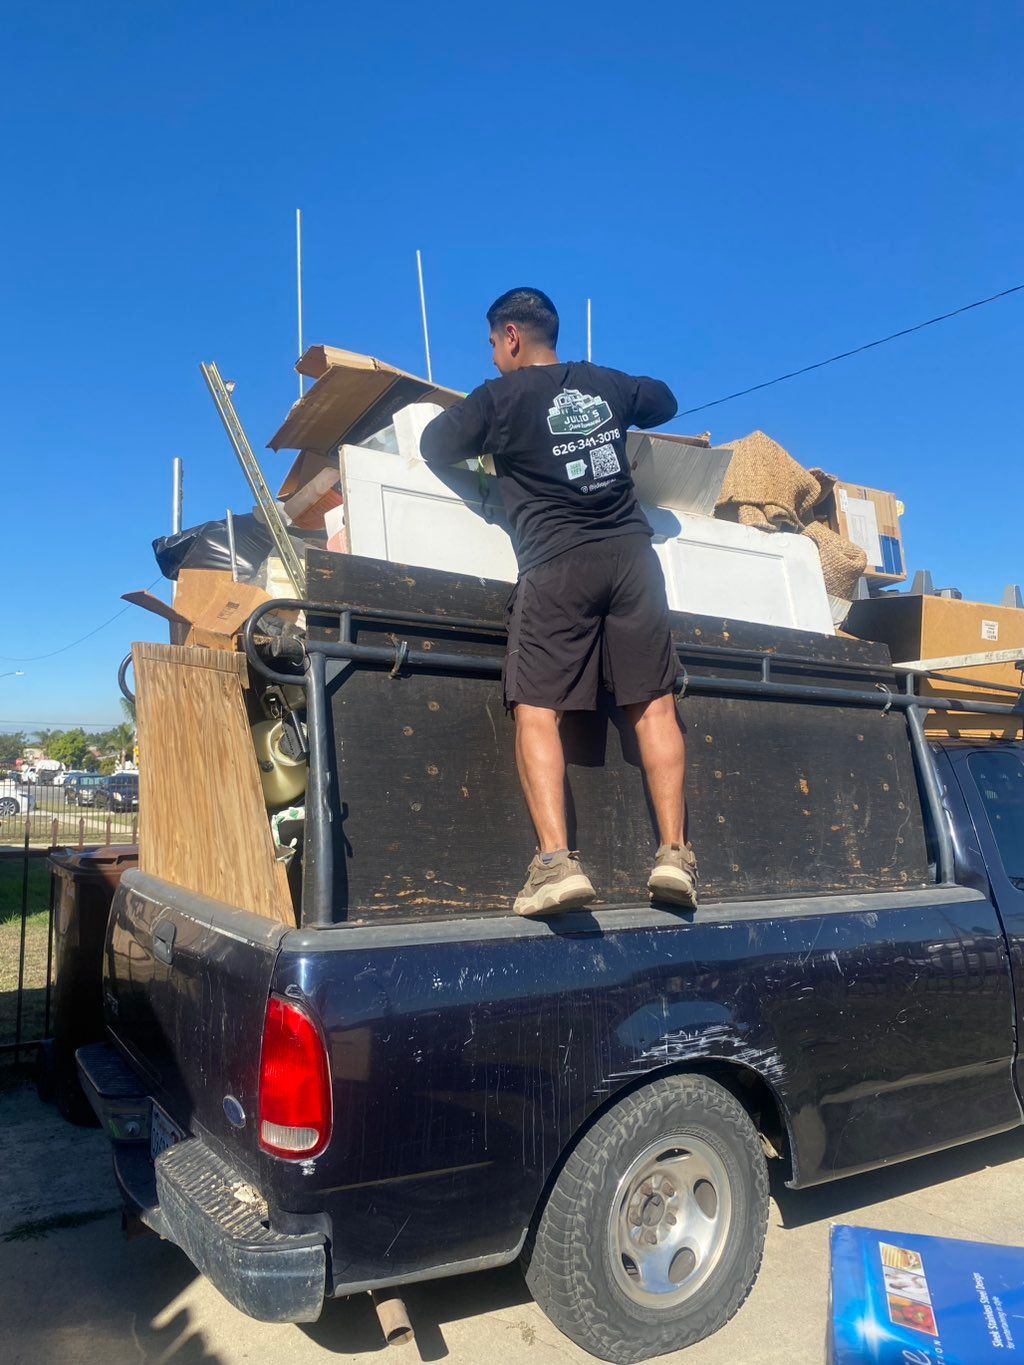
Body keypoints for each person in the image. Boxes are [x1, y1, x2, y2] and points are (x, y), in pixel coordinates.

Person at [420, 287, 697, 917]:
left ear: (512, 337)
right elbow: (664, 399)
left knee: (537, 710)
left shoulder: (500, 398)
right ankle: (674, 856)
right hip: (633, 560)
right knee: (654, 707)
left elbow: (435, 444)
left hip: (557, 564)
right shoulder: (604, 384)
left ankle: (555, 864)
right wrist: (607, 403)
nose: (493, 358)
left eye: (493, 345)